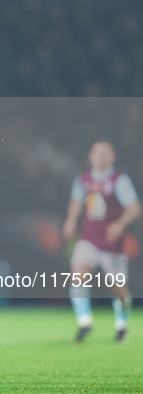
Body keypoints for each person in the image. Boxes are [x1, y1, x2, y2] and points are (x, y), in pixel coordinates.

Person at [62, 141, 141, 342]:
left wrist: (119, 225)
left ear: (112, 157)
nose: (101, 156)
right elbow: (76, 201)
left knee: (118, 287)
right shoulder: (83, 180)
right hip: (89, 238)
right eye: (97, 152)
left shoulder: (119, 180)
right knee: (77, 275)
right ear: (90, 156)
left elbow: (134, 208)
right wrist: (71, 220)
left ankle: (122, 324)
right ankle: (84, 322)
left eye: (106, 153)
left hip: (111, 243)